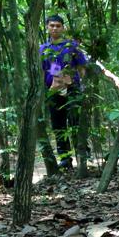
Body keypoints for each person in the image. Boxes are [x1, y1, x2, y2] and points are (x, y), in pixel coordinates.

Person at [40, 15, 88, 170]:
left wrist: (79, 85)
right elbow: (41, 71)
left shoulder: (71, 46)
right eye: (52, 25)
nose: (55, 28)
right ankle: (65, 160)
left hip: (72, 89)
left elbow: (82, 68)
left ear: (63, 28)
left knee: (75, 123)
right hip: (53, 91)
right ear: (47, 27)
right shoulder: (43, 49)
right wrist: (44, 91)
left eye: (58, 25)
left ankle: (82, 156)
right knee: (58, 125)